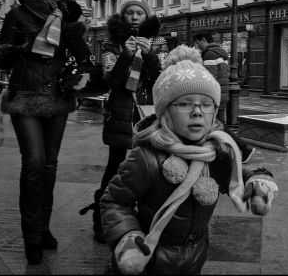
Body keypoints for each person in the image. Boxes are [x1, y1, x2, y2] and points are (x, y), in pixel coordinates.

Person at [100, 45, 278, 275]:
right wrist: (128, 236)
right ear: (165, 112)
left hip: (193, 259)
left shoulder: (215, 152)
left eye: (206, 104)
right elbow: (114, 201)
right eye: (184, 104)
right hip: (147, 262)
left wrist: (257, 181)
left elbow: (235, 176)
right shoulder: (147, 157)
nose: (197, 112)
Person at [0, 0, 92, 265]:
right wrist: (25, 47)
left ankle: (43, 227)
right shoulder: (17, 14)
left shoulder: (68, 16)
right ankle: (31, 236)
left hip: (58, 99)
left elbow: (83, 56)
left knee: (49, 165)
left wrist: (83, 71)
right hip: (25, 98)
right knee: (34, 163)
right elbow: (0, 57)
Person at [79, 0, 164, 244]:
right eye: (130, 12)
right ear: (123, 16)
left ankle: (146, 221)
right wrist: (126, 55)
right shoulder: (111, 44)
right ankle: (103, 221)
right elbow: (111, 81)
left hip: (148, 112)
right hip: (121, 111)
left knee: (152, 167)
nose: (135, 16)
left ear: (147, 15)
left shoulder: (158, 42)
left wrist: (149, 56)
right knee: (115, 167)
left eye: (140, 12)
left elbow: (162, 80)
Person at [192, 31, 255, 163]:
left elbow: (209, 78)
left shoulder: (209, 54)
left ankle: (244, 148)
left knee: (219, 126)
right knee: (218, 125)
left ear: (203, 39)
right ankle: (227, 150)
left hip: (215, 96)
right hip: (223, 94)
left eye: (198, 44)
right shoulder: (220, 52)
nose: (198, 47)